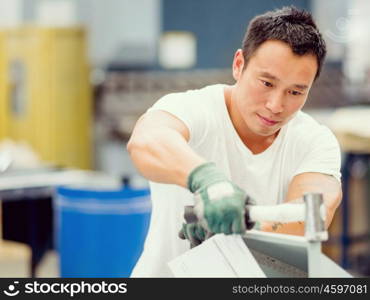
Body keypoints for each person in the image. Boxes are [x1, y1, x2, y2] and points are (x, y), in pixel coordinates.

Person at [127, 6, 342, 277]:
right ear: (239, 65)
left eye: (296, 91)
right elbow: (146, 141)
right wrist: (207, 181)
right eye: (266, 83)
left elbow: (312, 214)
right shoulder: (194, 109)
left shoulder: (314, 140)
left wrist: (238, 224)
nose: (276, 105)